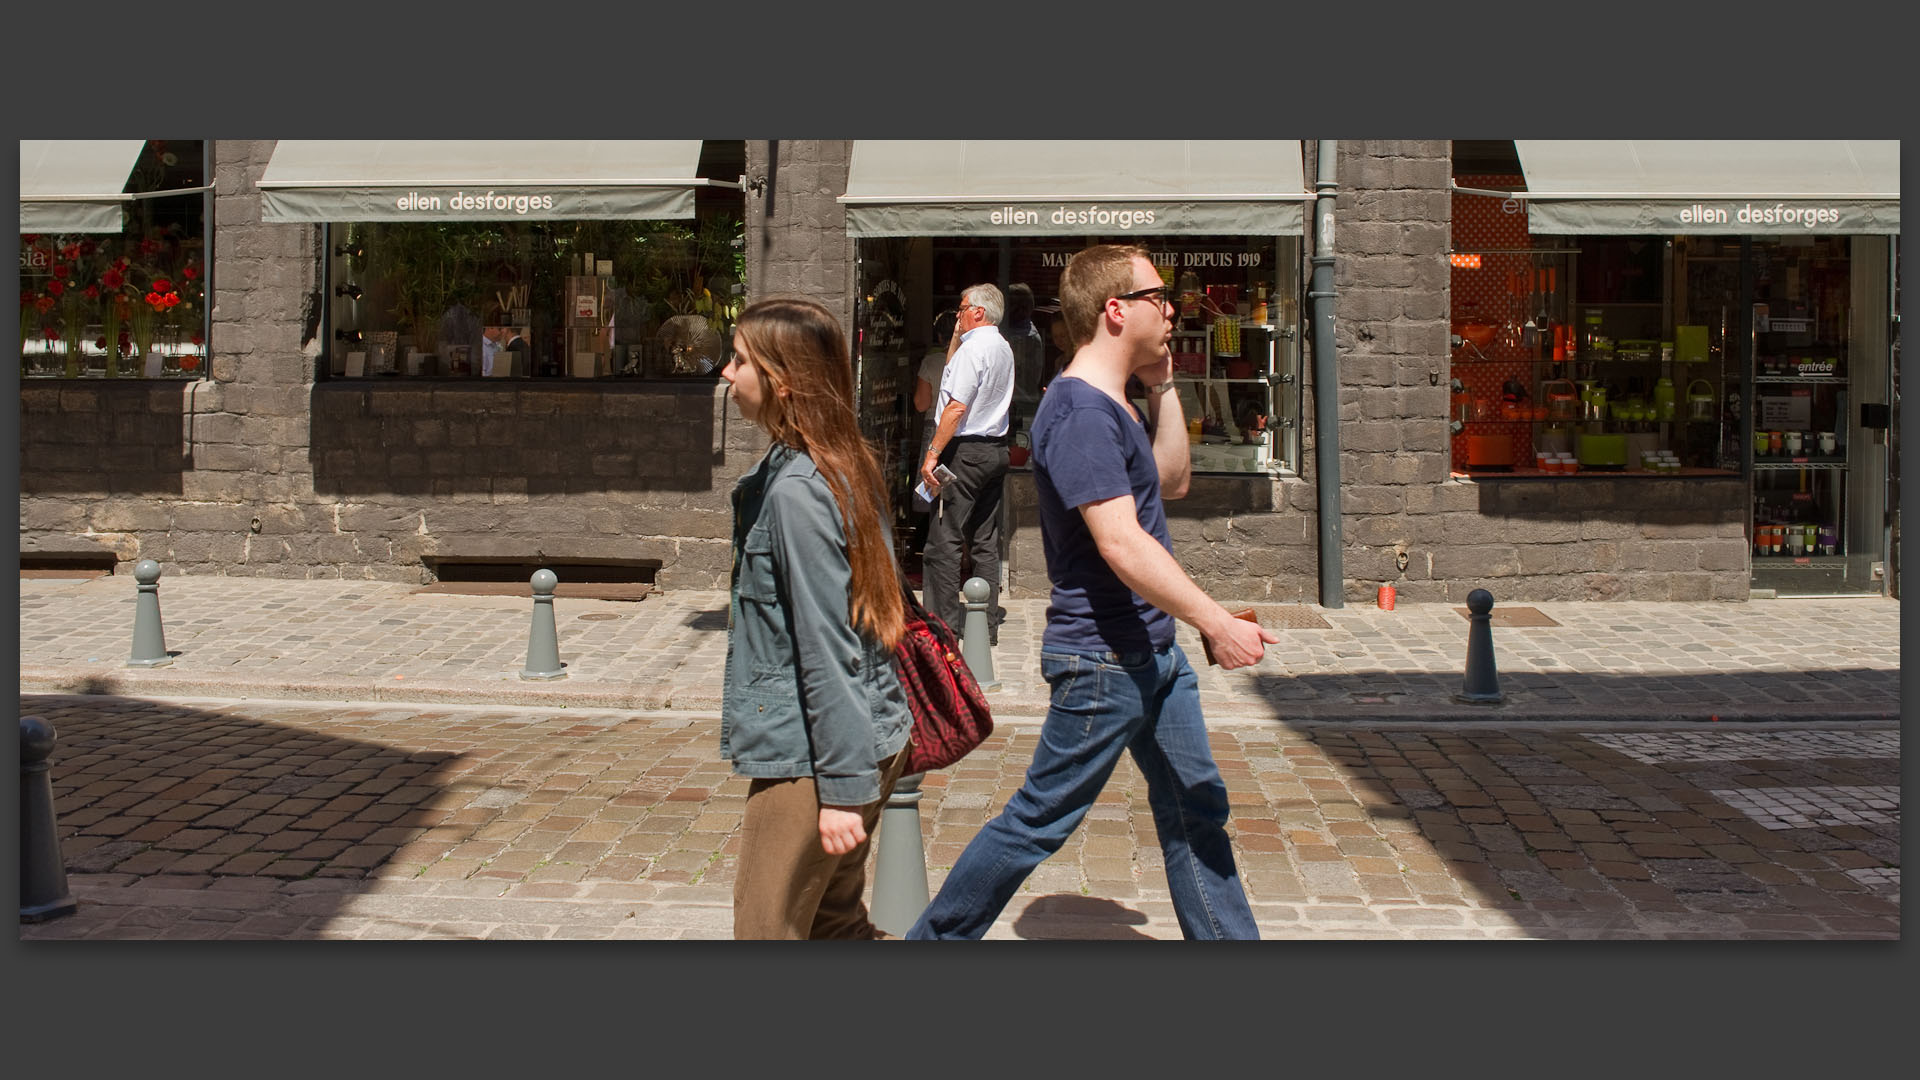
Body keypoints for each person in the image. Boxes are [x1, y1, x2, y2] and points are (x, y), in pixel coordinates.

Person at [907, 245, 1280, 940]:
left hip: (1151, 654)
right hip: (1104, 662)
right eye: (1156, 295)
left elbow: (1171, 482)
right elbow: (1120, 541)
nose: (1171, 308)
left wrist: (1165, 388)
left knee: (1197, 808)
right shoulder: (1078, 411)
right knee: (1036, 821)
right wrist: (1216, 620)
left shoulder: (1113, 402)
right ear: (1115, 310)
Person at [719, 296, 914, 940]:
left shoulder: (800, 490)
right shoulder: (837, 462)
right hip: (863, 736)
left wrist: (839, 788)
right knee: (833, 925)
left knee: (767, 931)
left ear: (782, 381)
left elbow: (827, 647)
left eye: (740, 360)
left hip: (811, 755)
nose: (727, 373)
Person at [919, 283, 1014, 642]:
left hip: (965, 451)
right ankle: (984, 624)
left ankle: (941, 626)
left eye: (961, 309)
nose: (956, 316)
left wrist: (932, 454)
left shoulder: (974, 351)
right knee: (985, 541)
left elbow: (955, 406)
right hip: (994, 449)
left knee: (943, 541)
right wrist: (957, 337)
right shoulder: (1000, 346)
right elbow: (949, 376)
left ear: (978, 312)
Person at [1003, 283, 1046, 437]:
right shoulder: (1008, 332)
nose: (1015, 310)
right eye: (1012, 305)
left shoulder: (1029, 337)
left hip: (1023, 401)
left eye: (1020, 305)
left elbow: (1031, 375)